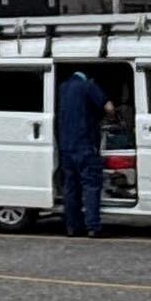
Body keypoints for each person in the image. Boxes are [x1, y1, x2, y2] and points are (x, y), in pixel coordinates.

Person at [54, 64, 109, 237]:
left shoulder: (63, 88)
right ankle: (92, 227)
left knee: (71, 188)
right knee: (91, 186)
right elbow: (109, 107)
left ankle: (72, 227)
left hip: (66, 147)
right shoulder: (89, 86)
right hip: (85, 146)